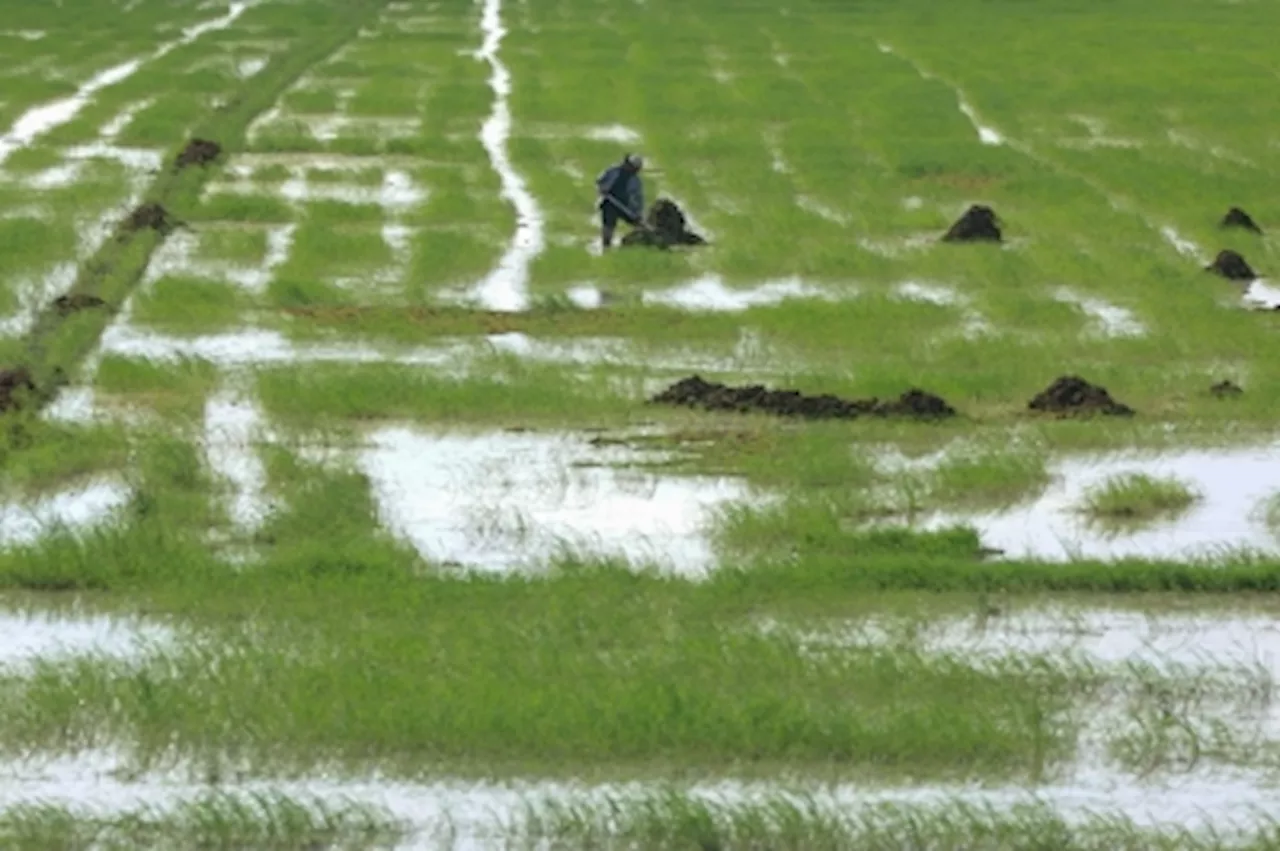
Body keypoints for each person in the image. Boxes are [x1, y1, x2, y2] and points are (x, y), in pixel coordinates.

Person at [595, 153, 644, 250]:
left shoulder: (636, 181)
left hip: (626, 206)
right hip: (609, 203)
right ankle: (606, 247)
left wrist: (637, 213)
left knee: (639, 226)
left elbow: (638, 198)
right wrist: (602, 189)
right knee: (608, 227)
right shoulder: (613, 171)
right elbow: (600, 181)